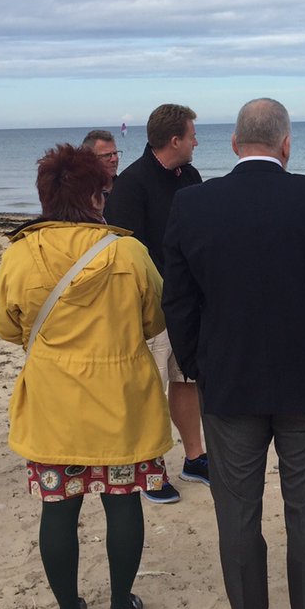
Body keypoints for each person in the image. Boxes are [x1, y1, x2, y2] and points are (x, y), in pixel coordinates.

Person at [162, 98, 305, 609]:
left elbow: (178, 302)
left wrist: (201, 365)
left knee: (237, 513)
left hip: (230, 383)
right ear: (286, 145)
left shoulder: (193, 205)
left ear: (234, 145)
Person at [0, 144, 172, 609]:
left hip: (53, 401)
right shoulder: (128, 251)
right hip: (120, 399)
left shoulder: (22, 251)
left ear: (46, 196)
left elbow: (5, 325)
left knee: (59, 506)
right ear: (97, 195)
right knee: (122, 501)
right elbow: (155, 317)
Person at [105, 104, 208, 504]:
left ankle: (195, 458)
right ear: (174, 140)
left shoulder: (192, 176)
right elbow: (126, 254)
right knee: (150, 386)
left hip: (190, 303)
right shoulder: (131, 185)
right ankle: (149, 466)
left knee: (187, 380)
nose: (197, 141)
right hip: (150, 307)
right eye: (192, 135)